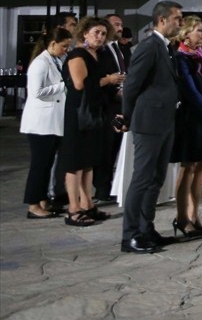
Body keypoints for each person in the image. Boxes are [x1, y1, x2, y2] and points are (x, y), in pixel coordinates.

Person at [119, 0, 184, 253]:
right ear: (162, 20)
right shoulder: (149, 47)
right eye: (177, 18)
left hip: (165, 121)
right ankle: (130, 235)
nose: (180, 22)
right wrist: (126, 117)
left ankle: (147, 229)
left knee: (156, 179)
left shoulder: (167, 48)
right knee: (142, 178)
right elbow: (132, 85)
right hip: (148, 122)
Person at [61, 17, 122, 228]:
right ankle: (73, 209)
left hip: (96, 113)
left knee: (88, 163)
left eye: (104, 34)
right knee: (75, 163)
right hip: (79, 114)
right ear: (85, 33)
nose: (100, 37)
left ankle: (87, 204)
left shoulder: (101, 54)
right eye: (96, 32)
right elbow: (80, 84)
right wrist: (108, 80)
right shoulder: (77, 55)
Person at [170, 15, 202, 239]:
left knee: (201, 164)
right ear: (186, 34)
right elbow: (189, 90)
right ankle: (182, 217)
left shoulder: (200, 57)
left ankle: (194, 213)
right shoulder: (181, 57)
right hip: (189, 117)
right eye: (198, 30)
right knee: (187, 166)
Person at [20, 27, 71, 219]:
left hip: (53, 122)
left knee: (47, 164)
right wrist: (64, 85)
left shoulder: (57, 60)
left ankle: (42, 201)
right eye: (64, 46)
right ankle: (33, 205)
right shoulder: (40, 63)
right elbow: (37, 92)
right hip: (41, 124)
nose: (66, 49)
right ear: (52, 44)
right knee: (39, 165)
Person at [94, 13, 129, 202]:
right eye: (116, 24)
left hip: (120, 103)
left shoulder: (119, 48)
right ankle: (101, 189)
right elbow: (97, 78)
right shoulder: (100, 50)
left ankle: (110, 186)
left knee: (115, 147)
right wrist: (111, 88)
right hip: (106, 105)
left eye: (121, 24)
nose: (120, 28)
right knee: (104, 149)